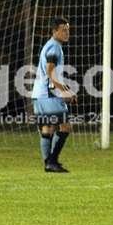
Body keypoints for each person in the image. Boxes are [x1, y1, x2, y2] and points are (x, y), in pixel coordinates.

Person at [32, 17, 74, 173]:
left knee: (48, 127)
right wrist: (64, 91)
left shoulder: (49, 45)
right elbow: (50, 72)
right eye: (63, 30)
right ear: (54, 31)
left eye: (68, 29)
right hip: (48, 95)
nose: (67, 32)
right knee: (65, 126)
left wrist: (65, 88)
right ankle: (51, 161)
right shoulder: (55, 47)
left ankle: (48, 163)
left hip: (39, 93)